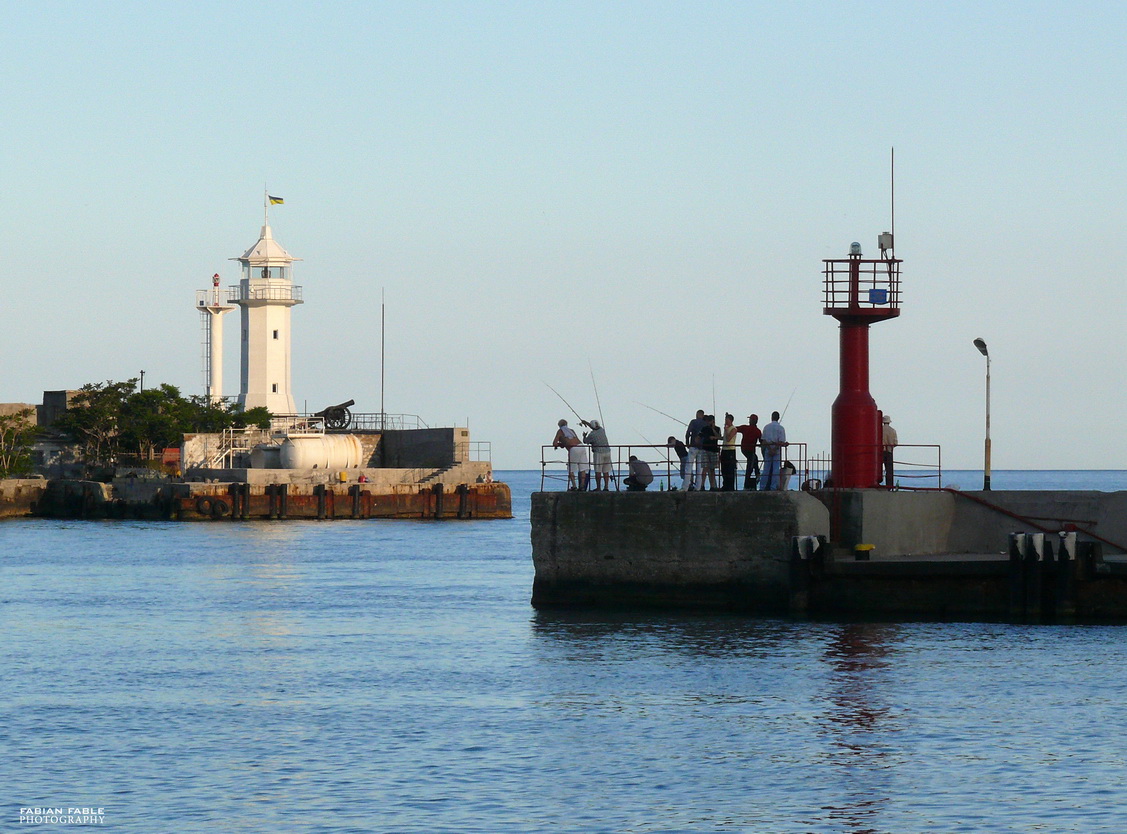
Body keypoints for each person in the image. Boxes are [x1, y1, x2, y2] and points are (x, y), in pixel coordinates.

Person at [553, 419, 589, 490]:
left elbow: (554, 443)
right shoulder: (571, 431)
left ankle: (574, 486)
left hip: (573, 449)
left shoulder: (560, 431)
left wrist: (560, 444)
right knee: (582, 468)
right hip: (581, 447)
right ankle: (582, 485)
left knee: (570, 468)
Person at [759, 411, 788, 490]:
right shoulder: (781, 428)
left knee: (766, 470)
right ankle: (773, 487)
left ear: (771, 417)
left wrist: (770, 449)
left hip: (768, 450)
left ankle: (762, 487)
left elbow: (764, 440)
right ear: (778, 418)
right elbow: (781, 441)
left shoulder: (766, 427)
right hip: (777, 451)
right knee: (775, 470)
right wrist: (774, 449)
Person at [582, 419, 613, 491]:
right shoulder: (602, 430)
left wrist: (584, 436)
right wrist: (586, 423)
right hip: (607, 452)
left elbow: (586, 441)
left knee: (598, 471)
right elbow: (594, 427)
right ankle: (606, 487)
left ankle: (598, 487)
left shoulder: (592, 434)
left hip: (598, 453)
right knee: (606, 471)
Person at [736, 414, 762, 490]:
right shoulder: (758, 431)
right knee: (752, 462)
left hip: (744, 449)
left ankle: (749, 483)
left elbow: (735, 429)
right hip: (750, 450)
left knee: (752, 463)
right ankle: (757, 475)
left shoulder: (745, 428)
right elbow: (761, 441)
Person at [684, 409, 706, 490]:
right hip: (702, 448)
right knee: (700, 469)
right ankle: (698, 487)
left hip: (693, 446)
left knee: (689, 466)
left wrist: (687, 443)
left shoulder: (693, 422)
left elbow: (688, 433)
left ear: (697, 414)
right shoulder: (705, 424)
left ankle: (685, 487)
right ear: (703, 415)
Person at [698, 414, 721, 491]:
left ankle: (712, 486)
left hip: (714, 450)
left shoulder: (717, 428)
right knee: (705, 468)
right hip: (705, 449)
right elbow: (699, 436)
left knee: (712, 469)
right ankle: (702, 485)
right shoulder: (704, 428)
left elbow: (720, 437)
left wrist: (713, 430)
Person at [720, 413, 738, 491]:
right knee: (724, 469)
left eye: (726, 420)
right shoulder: (726, 429)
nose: (725, 421)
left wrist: (726, 430)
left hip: (730, 450)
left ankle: (730, 486)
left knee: (730, 469)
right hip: (724, 450)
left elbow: (728, 438)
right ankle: (725, 485)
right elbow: (724, 438)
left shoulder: (733, 429)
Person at [882, 414, 898, 488]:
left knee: (878, 468)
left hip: (880, 451)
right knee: (889, 470)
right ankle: (889, 486)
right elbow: (896, 443)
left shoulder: (879, 429)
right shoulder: (893, 431)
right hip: (889, 451)